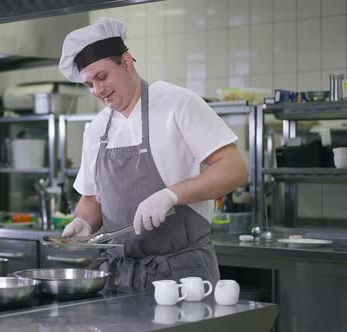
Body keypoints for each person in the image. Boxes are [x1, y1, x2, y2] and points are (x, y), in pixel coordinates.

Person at [58, 17, 248, 289]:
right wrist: (83, 223)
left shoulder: (177, 103)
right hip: (119, 278)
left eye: (102, 77)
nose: (98, 90)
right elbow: (91, 199)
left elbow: (234, 168)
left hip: (182, 275)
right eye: (89, 84)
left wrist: (171, 194)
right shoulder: (96, 129)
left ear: (126, 62)